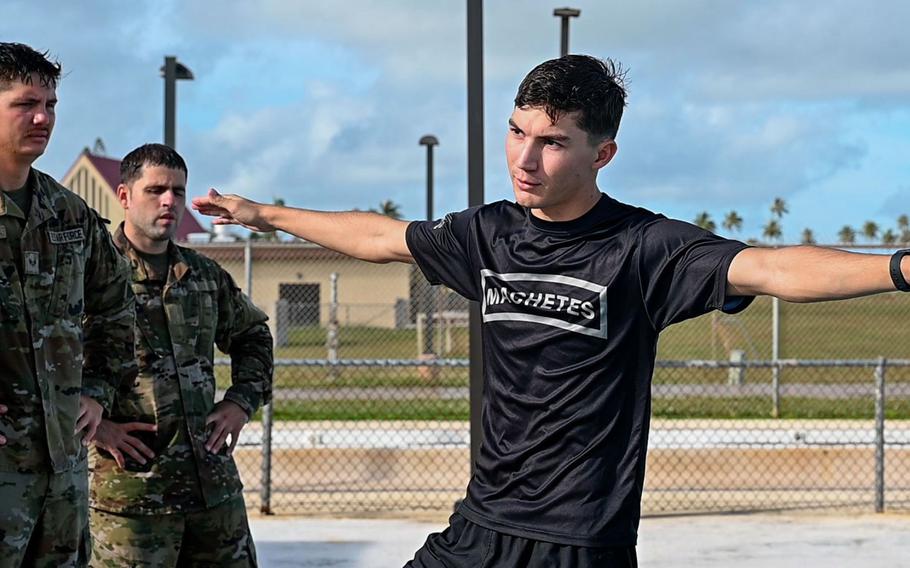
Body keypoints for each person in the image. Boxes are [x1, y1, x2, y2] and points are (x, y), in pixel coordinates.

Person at [192, 55, 909, 567]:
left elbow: (775, 268)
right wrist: (263, 212)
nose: (524, 158)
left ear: (604, 153)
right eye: (517, 132)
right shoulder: (489, 233)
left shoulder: (644, 248)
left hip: (580, 542)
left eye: (552, 142)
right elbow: (380, 238)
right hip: (480, 527)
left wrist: (899, 267)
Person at [89, 143, 273, 567]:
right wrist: (97, 429)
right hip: (130, 499)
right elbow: (43, 358)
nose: (169, 201)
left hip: (213, 493)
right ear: (124, 196)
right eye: (155, 190)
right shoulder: (92, 276)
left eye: (176, 190)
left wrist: (241, 402)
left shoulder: (204, 277)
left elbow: (253, 334)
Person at [0, 42, 135, 567]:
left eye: (51, 104)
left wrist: (98, 390)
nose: (43, 117)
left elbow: (116, 307)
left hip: (61, 477)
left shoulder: (68, 213)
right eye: (25, 103)